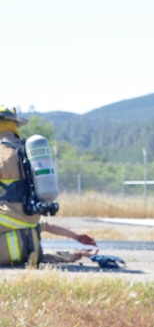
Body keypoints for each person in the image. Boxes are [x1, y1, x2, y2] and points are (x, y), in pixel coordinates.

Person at [1, 104, 97, 266]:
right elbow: (46, 225)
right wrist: (76, 236)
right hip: (28, 218)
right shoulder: (25, 151)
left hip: (9, 217)